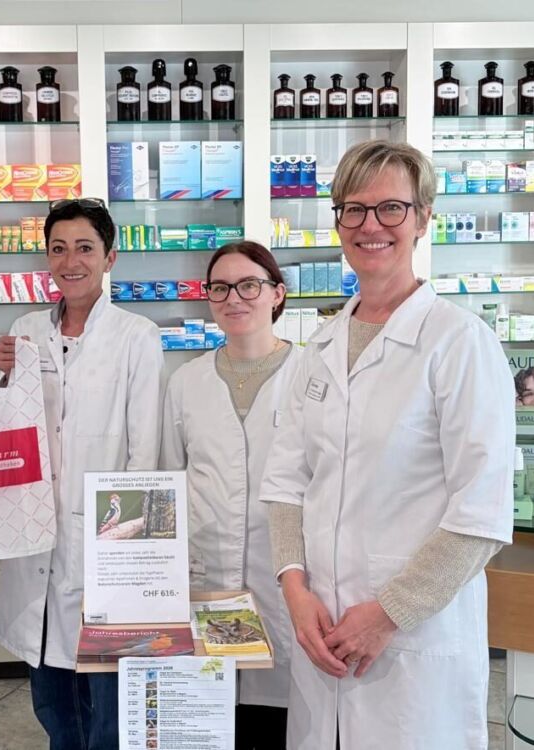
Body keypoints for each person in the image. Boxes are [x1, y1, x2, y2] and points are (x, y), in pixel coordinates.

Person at [260, 140, 514, 750]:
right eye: (354, 209)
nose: (370, 225)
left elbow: (480, 516)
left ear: (423, 218)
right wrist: (294, 590)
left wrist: (388, 614)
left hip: (412, 648)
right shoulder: (319, 348)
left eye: (391, 208)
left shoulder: (459, 342)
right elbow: (286, 484)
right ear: (338, 221)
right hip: (321, 637)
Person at [0, 198, 165, 750]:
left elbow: (145, 452)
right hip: (35, 533)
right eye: (59, 248)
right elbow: (8, 430)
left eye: (85, 248)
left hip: (107, 541)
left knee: (107, 704)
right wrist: (1, 377)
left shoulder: (137, 335)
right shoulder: (24, 331)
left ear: (110, 258)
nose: (71, 261)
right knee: (51, 699)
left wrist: (128, 556)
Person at [161, 240, 299, 749]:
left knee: (281, 726)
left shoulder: (312, 375)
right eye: (219, 288)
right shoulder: (186, 381)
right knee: (210, 725)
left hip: (287, 582)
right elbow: (169, 481)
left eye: (248, 285)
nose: (233, 298)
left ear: (277, 294)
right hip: (205, 580)